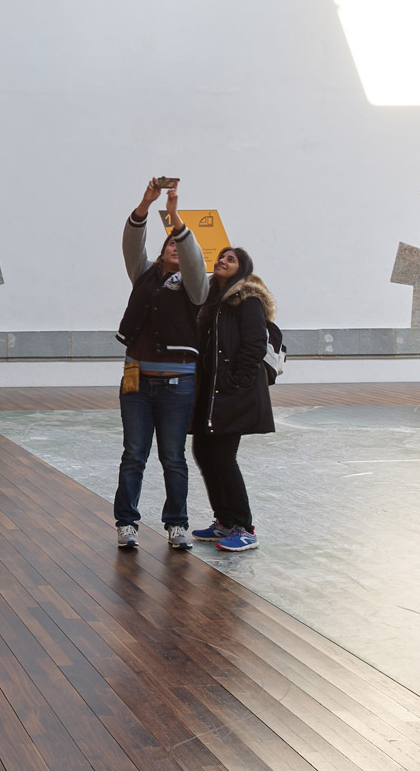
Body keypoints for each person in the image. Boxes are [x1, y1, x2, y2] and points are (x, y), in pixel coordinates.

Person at [112, 176, 208, 551]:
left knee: (173, 458)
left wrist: (175, 218)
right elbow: (131, 246)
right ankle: (126, 523)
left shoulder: (195, 288)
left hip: (177, 385)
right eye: (168, 243)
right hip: (136, 382)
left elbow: (197, 264)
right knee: (133, 454)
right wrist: (145, 205)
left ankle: (177, 524)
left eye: (178, 244)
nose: (173, 248)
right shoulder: (145, 276)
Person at [190, 244, 275, 554]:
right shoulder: (214, 301)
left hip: (231, 393)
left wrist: (233, 382)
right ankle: (224, 520)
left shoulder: (247, 301)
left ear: (242, 268)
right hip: (211, 393)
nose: (222, 261)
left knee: (223, 457)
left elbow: (254, 346)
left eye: (231, 259)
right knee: (203, 451)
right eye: (221, 257)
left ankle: (244, 526)